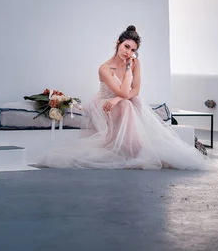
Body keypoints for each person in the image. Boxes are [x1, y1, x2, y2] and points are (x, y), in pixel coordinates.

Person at [38, 25, 208, 170]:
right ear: (118, 43)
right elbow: (124, 92)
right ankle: (130, 149)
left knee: (132, 103)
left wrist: (118, 98)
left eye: (133, 50)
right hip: (104, 103)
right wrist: (126, 76)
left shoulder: (135, 63)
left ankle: (132, 148)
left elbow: (135, 90)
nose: (129, 52)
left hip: (118, 101)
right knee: (128, 104)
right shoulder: (105, 68)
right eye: (126, 47)